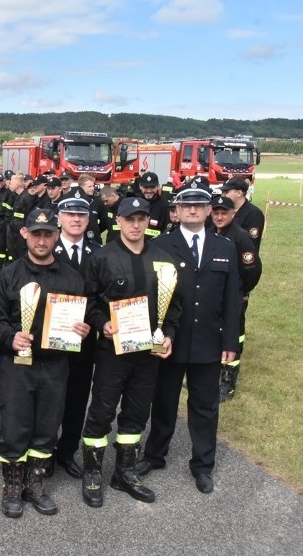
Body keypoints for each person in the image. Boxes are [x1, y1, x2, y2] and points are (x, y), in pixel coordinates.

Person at [0, 208, 89, 518]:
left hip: (56, 364)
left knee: (47, 426)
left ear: (57, 236)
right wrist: (10, 336)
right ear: (25, 234)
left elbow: (81, 320)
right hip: (18, 365)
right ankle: (13, 486)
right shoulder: (8, 275)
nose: (42, 240)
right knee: (15, 425)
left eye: (48, 234)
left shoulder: (72, 278)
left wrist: (83, 329)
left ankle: (36, 483)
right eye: (36, 233)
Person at [136, 187, 241, 494]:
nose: (193, 210)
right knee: (164, 401)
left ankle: (203, 464)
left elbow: (232, 299)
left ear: (210, 211)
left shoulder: (226, 247)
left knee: (205, 406)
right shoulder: (161, 245)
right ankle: (155, 455)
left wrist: (230, 342)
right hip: (170, 339)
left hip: (209, 341)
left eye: (200, 206)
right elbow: (151, 293)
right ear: (176, 210)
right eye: (187, 205)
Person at [80, 196, 181, 508]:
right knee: (102, 410)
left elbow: (173, 307)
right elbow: (90, 301)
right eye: (129, 218)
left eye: (141, 218)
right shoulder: (102, 258)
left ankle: (124, 472)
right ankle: (93, 472)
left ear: (147, 220)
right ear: (119, 221)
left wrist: (170, 335)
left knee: (137, 412)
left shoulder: (164, 258)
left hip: (147, 354)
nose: (135, 224)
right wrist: (102, 323)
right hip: (113, 351)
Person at [51, 196, 102, 479]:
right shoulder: (47, 248)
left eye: (81, 215)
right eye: (69, 214)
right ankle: (44, 452)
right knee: (50, 400)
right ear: (59, 218)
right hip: (52, 340)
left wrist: (94, 323)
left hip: (84, 341)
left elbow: (102, 297)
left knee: (77, 399)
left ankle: (67, 451)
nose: (76, 219)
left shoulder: (99, 253)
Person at [210, 195, 262, 400]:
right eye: (217, 213)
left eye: (225, 213)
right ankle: (212, 373)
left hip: (233, 298)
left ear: (233, 214)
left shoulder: (240, 237)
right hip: (213, 296)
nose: (220, 217)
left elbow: (253, 268)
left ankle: (228, 382)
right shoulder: (209, 233)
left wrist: (241, 292)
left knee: (233, 336)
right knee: (214, 334)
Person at [221, 177, 265, 253]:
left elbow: (250, 243)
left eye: (226, 192)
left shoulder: (254, 214)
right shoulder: (226, 211)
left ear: (239, 193)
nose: (223, 195)